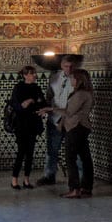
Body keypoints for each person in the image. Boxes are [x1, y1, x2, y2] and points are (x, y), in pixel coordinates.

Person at [40, 69, 94, 198]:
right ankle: (86, 187)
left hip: (76, 128)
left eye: (72, 79)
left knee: (71, 158)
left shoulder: (81, 94)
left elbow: (69, 111)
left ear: (79, 80)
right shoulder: (83, 93)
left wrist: (51, 109)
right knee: (85, 157)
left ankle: (75, 189)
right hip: (80, 127)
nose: (71, 81)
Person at [36, 54, 78, 186]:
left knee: (75, 150)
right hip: (55, 119)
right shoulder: (54, 78)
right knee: (52, 149)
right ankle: (49, 175)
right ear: (61, 65)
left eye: (71, 66)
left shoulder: (78, 78)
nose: (69, 69)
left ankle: (80, 178)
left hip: (71, 120)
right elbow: (49, 96)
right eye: (66, 66)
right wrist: (44, 108)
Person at [10, 65, 45, 190]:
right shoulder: (18, 88)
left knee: (30, 153)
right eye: (32, 73)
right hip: (21, 124)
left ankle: (26, 179)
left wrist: (31, 101)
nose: (35, 75)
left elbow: (42, 102)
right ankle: (14, 179)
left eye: (35, 73)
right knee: (21, 152)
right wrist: (29, 102)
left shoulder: (36, 88)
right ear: (25, 75)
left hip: (33, 123)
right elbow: (18, 105)